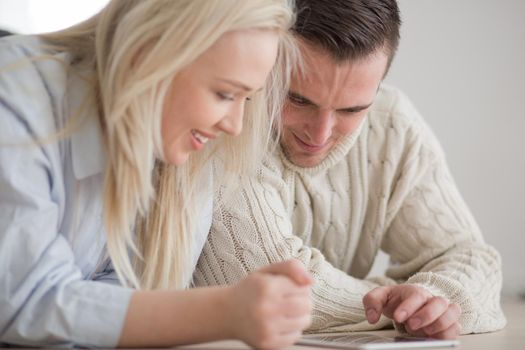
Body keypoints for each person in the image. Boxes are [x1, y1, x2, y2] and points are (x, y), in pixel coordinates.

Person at [0, 0, 313, 348]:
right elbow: (23, 301)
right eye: (225, 94)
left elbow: (123, 305)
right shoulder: (12, 101)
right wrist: (223, 312)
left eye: (247, 99)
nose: (235, 125)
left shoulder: (180, 146)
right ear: (147, 55)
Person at [194, 0, 506, 340]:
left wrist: (435, 301)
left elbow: (471, 257)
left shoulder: (391, 124)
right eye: (298, 100)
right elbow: (265, 283)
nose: (321, 133)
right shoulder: (228, 122)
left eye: (352, 109)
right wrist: (397, 306)